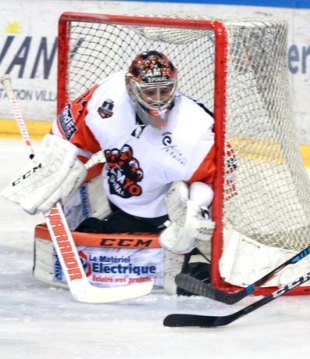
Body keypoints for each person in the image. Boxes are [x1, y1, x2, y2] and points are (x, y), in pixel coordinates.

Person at [2, 50, 216, 291]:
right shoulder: (105, 98)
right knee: (70, 181)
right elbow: (68, 137)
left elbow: (215, 182)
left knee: (189, 211)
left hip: (164, 216)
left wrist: (197, 212)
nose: (158, 100)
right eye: (149, 92)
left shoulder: (197, 130)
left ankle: (193, 255)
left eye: (164, 91)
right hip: (120, 206)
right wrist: (55, 166)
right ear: (130, 86)